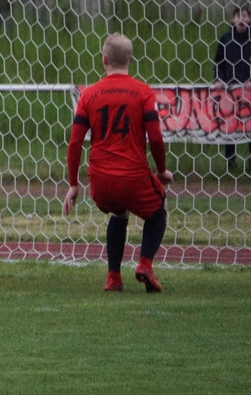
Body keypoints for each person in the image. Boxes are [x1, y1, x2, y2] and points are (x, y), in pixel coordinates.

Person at [63, 33, 173, 293]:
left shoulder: (88, 95)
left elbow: (75, 143)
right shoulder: (143, 92)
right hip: (133, 177)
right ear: (131, 60)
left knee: (118, 211)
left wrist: (73, 185)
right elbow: (155, 137)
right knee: (158, 211)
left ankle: (113, 276)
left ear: (104, 60)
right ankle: (145, 263)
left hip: (100, 182)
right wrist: (160, 170)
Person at [213, 5, 251, 170]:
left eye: (244, 15)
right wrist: (219, 79)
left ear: (249, 19)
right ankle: (230, 162)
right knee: (229, 124)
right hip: (230, 91)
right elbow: (218, 63)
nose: (241, 19)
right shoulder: (225, 39)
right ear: (232, 20)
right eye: (237, 16)